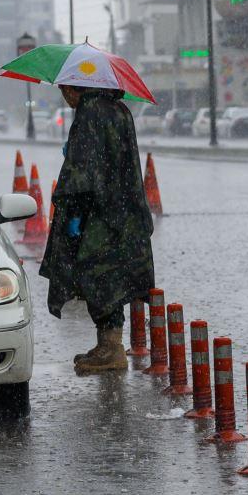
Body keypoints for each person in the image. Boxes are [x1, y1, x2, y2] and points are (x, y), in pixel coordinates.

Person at [39, 84, 156, 374]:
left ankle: (111, 349)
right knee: (113, 277)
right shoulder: (119, 110)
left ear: (71, 88)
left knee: (95, 276)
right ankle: (109, 343)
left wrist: (74, 216)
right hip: (123, 211)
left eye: (63, 89)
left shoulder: (89, 112)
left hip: (99, 213)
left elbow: (83, 174)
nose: (64, 96)